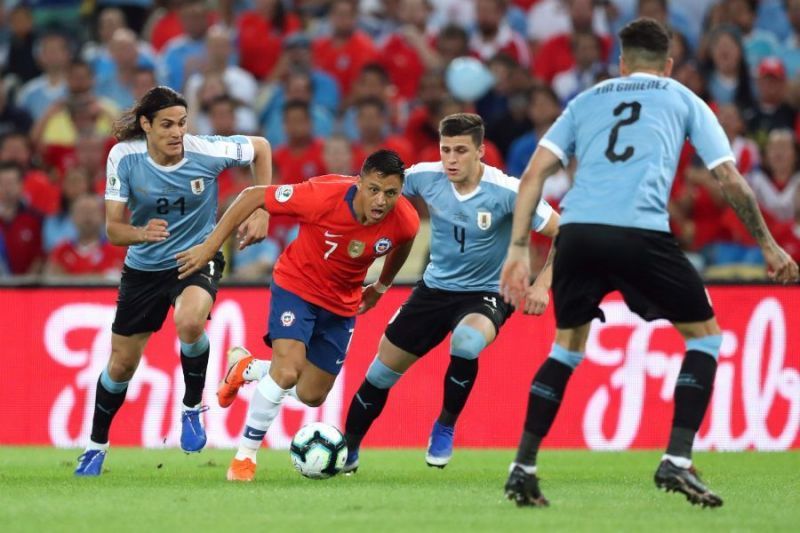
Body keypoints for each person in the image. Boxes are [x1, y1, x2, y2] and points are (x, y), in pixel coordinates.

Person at [499, 18, 799, 508]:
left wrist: (516, 249)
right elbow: (730, 179)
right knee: (706, 338)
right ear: (668, 65)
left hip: (576, 234)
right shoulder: (682, 98)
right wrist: (767, 244)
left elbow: (533, 173)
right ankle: (677, 459)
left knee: (567, 349)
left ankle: (523, 467)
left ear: (621, 62)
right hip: (638, 232)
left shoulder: (586, 100)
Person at [216, 113, 559, 471]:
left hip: (486, 292)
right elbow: (369, 186)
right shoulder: (425, 176)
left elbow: (561, 232)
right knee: (368, 378)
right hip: (434, 289)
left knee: (467, 342)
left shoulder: (509, 191)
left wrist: (542, 284)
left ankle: (444, 426)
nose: (452, 160)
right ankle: (347, 448)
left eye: (461, 151)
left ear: (481, 152)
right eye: (446, 150)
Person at [174, 150, 420, 482]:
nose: (381, 200)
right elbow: (251, 196)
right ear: (359, 182)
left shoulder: (404, 219)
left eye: (391, 193)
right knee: (287, 372)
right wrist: (209, 247)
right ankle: (244, 458)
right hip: (297, 288)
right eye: (374, 189)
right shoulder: (322, 195)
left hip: (341, 303)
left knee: (311, 394)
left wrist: (381, 285)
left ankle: (249, 368)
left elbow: (404, 240)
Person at [74, 86, 272, 477]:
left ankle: (191, 406)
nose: (177, 132)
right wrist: (140, 233)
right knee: (121, 365)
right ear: (145, 125)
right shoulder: (124, 157)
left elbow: (261, 147)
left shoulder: (206, 151)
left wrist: (263, 207)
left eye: (182, 123)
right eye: (166, 125)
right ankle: (96, 446)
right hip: (144, 267)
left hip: (196, 256)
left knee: (190, 320)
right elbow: (114, 230)